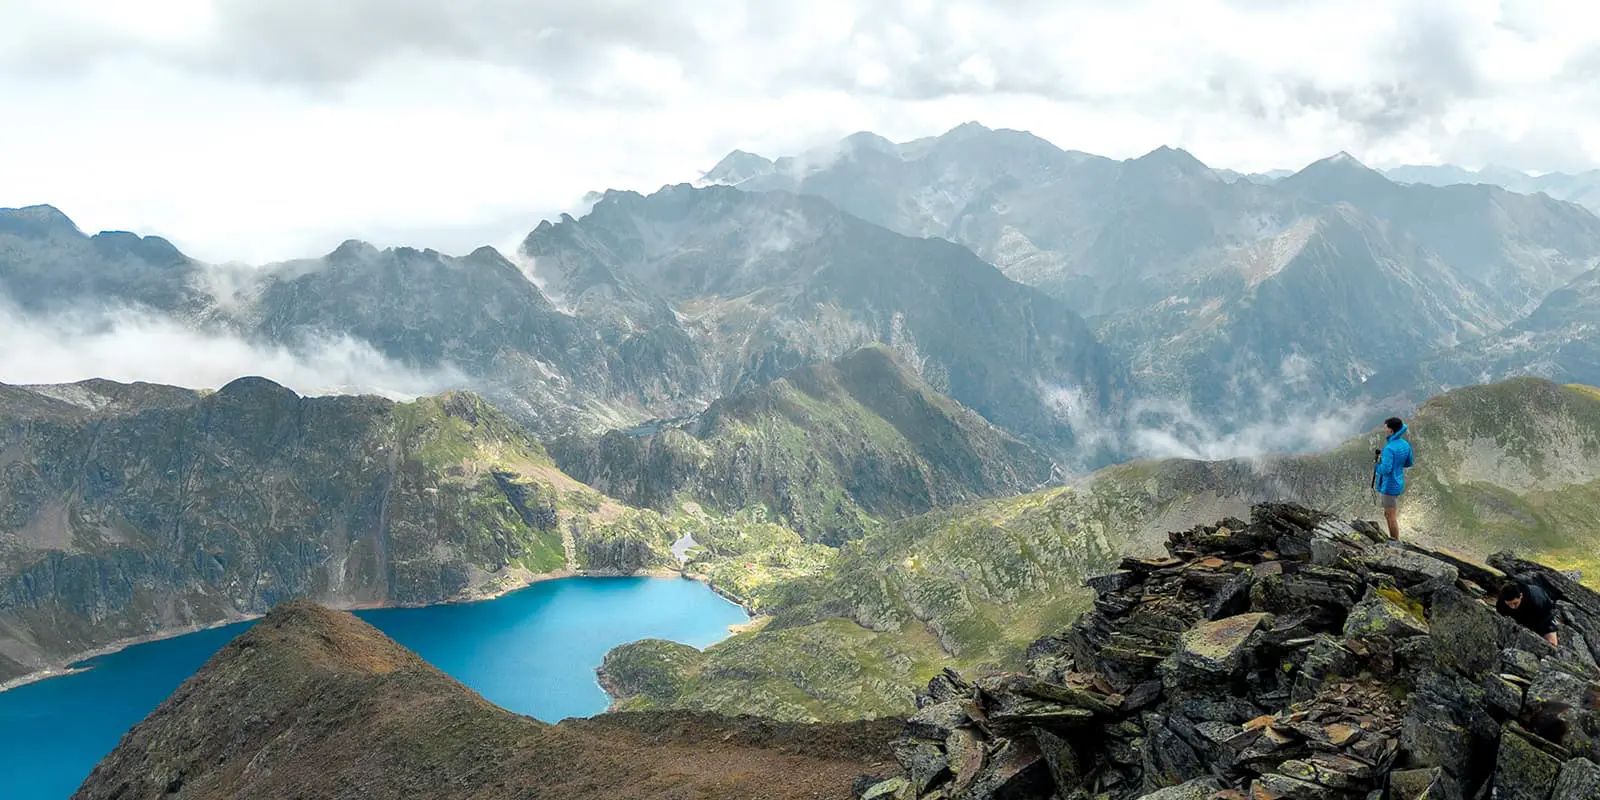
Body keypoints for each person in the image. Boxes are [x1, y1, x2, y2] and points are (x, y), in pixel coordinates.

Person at [1373, 417, 1414, 543]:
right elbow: (1409, 462)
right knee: (1388, 513)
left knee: (1391, 516)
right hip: (1398, 482)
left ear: (1391, 430)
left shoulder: (1389, 449)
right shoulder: (1404, 444)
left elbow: (1385, 470)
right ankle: (1394, 540)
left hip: (1389, 486)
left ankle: (1394, 542)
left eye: (1385, 427)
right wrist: (1396, 464)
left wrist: (1377, 464)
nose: (1384, 428)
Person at [1497, 581, 1560, 647]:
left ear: (1521, 595)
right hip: (1519, 618)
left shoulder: (1538, 600)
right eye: (1509, 604)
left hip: (1541, 616)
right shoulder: (1501, 604)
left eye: (1515, 603)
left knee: (1552, 644)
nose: (1512, 607)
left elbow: (1546, 620)